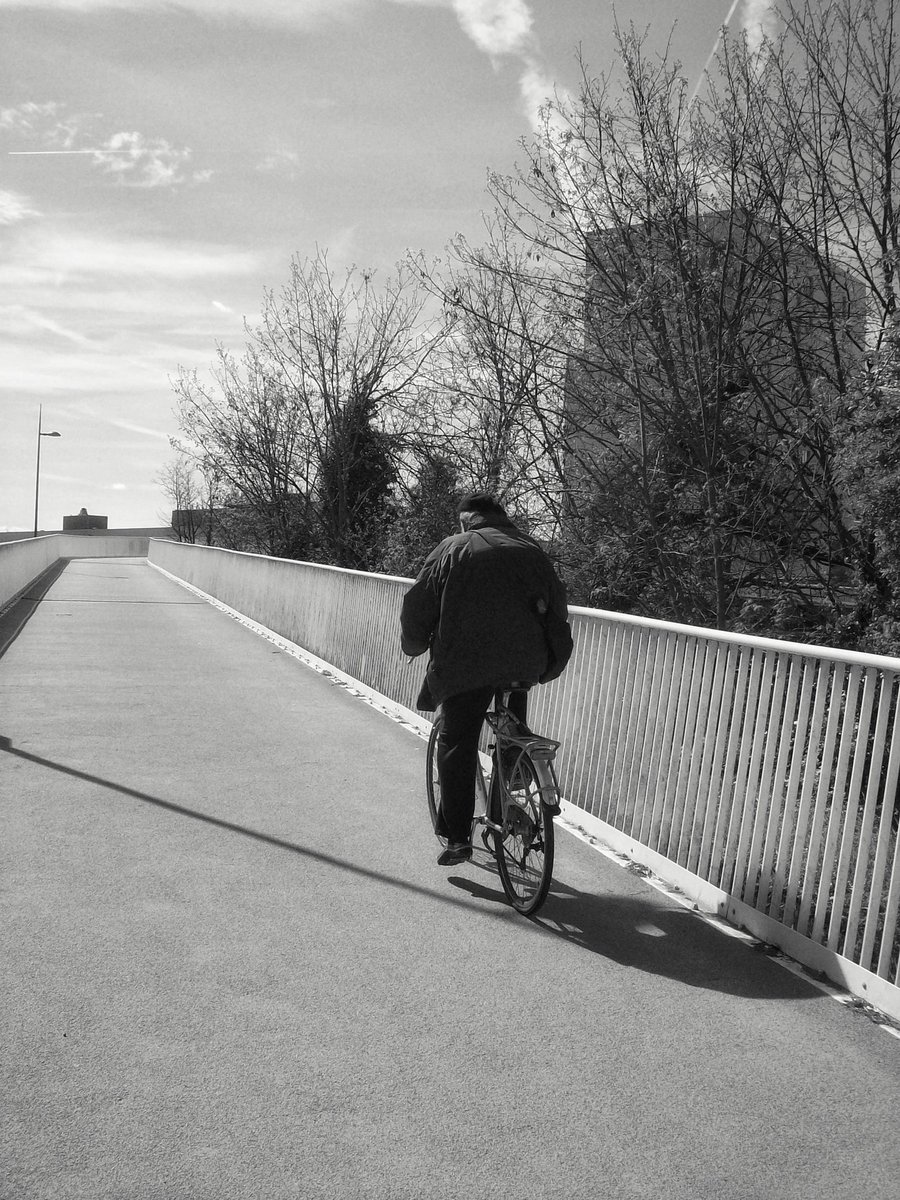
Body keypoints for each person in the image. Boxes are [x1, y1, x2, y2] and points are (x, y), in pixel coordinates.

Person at [400, 493, 570, 866]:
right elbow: (558, 608)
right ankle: (507, 805)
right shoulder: (532, 550)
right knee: (511, 736)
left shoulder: (453, 549)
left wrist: (413, 645)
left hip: (465, 665)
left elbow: (419, 606)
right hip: (523, 664)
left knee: (457, 739)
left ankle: (459, 837)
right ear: (501, 518)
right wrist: (550, 659)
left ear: (467, 519)